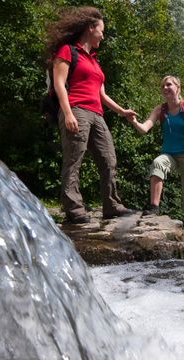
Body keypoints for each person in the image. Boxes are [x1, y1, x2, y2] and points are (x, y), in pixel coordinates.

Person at [47, 6, 136, 224]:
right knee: (74, 158)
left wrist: (122, 111)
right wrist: (67, 113)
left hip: (97, 115)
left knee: (108, 159)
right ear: (90, 28)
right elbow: (59, 84)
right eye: (101, 31)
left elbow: (102, 95)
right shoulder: (68, 51)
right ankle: (73, 208)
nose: (103, 35)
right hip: (76, 109)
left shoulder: (95, 61)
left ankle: (111, 205)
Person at [128, 76, 184, 238]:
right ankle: (154, 207)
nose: (165, 88)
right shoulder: (160, 110)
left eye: (169, 85)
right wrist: (134, 121)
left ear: (178, 88)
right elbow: (144, 128)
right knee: (157, 164)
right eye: (163, 86)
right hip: (169, 154)